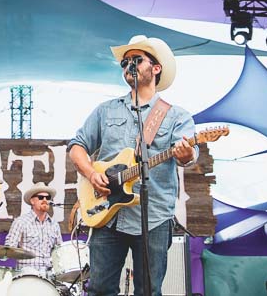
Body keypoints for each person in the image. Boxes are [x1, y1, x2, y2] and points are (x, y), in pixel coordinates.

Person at [68, 35, 196, 296]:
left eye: (137, 60)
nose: (129, 65)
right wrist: (92, 174)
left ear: (156, 68)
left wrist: (184, 154)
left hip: (154, 216)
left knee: (148, 290)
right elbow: (77, 145)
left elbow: (189, 155)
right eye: (125, 62)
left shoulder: (175, 115)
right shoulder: (106, 110)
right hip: (108, 215)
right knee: (100, 289)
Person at [5, 183, 62, 275]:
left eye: (47, 198)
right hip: (27, 274)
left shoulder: (54, 225)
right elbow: (9, 250)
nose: (44, 200)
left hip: (49, 275)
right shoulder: (21, 222)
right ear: (32, 201)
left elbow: (59, 252)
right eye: (40, 197)